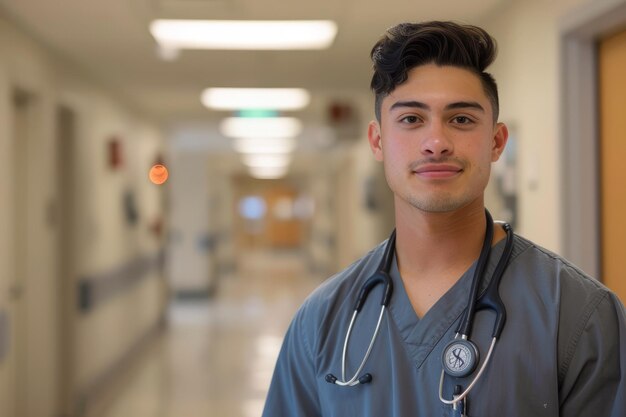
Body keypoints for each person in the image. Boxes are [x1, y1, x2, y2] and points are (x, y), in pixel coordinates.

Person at [261, 21, 626, 417]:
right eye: (411, 119)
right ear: (377, 141)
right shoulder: (322, 319)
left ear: (496, 142)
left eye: (462, 119)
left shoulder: (577, 314)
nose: (436, 142)